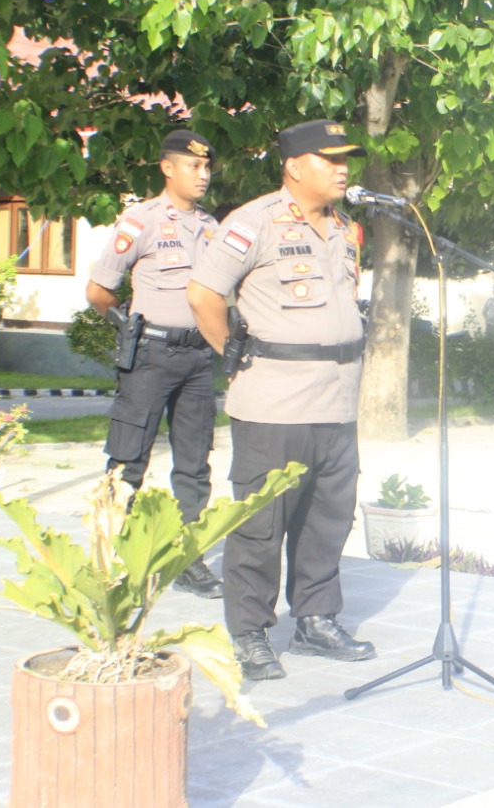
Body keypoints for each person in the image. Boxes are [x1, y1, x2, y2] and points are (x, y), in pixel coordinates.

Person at [187, 119, 374, 681]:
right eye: (330, 159)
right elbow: (202, 294)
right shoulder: (253, 222)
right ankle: (249, 633)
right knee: (260, 525)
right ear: (294, 166)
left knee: (327, 518)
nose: (343, 169)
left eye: (347, 160)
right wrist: (232, 354)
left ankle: (316, 619)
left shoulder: (345, 228)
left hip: (337, 402)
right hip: (274, 402)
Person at [86, 129, 222, 600]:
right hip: (151, 356)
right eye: (193, 166)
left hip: (199, 359)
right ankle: (109, 559)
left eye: (207, 167)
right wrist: (130, 328)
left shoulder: (211, 226)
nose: (203, 175)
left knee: (194, 465)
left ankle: (187, 559)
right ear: (168, 168)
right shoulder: (139, 221)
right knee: (127, 460)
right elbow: (99, 292)